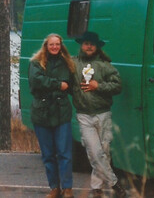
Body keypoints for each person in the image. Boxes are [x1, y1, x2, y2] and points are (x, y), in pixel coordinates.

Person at [71, 31, 127, 198]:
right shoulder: (73, 64)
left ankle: (97, 188)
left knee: (104, 152)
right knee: (94, 152)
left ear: (96, 47)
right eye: (86, 43)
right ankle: (115, 183)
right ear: (81, 45)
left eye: (92, 44)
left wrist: (99, 86)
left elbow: (117, 86)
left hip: (103, 114)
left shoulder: (105, 66)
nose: (88, 46)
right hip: (84, 116)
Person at [28, 33, 77, 198]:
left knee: (65, 153)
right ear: (46, 46)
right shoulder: (36, 63)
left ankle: (67, 188)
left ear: (61, 46)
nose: (55, 47)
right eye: (52, 44)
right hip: (42, 112)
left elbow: (72, 86)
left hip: (62, 112)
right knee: (48, 154)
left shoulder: (68, 64)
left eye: (57, 44)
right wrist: (58, 84)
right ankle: (54, 188)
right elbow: (36, 81)